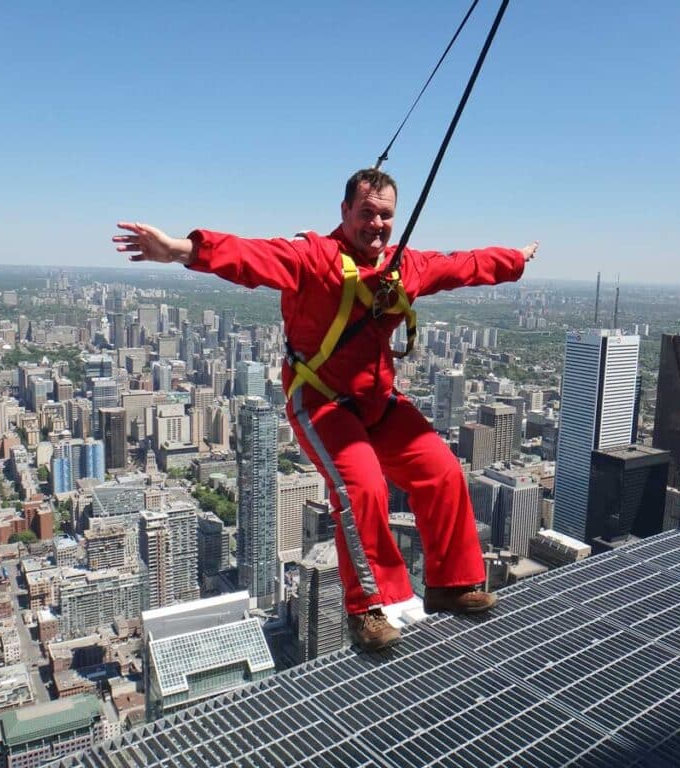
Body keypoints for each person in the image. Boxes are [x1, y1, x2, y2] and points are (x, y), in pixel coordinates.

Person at [114, 168, 538, 651]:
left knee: (443, 471)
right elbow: (252, 256)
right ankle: (367, 610)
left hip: (377, 402)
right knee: (362, 487)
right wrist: (179, 250)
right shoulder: (315, 257)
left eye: (385, 216)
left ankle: (452, 583)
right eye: (366, 213)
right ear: (344, 212)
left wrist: (512, 259)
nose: (376, 224)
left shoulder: (404, 267)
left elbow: (462, 265)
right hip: (321, 402)